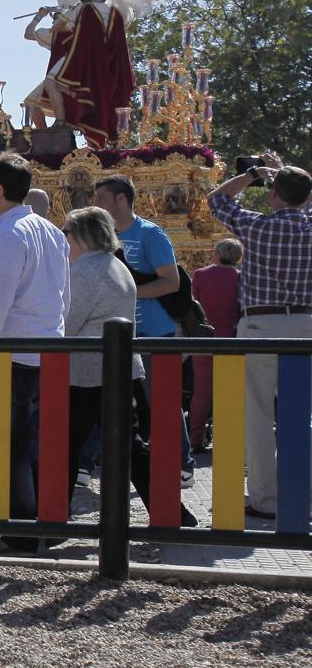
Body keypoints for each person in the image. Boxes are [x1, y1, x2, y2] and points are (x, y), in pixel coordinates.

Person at [0, 153, 70, 555]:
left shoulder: (5, 235)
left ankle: (20, 534)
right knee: (38, 441)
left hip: (13, 352)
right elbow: (63, 297)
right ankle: (49, 524)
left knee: (10, 444)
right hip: (49, 349)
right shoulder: (51, 231)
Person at [59, 207, 198, 526]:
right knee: (128, 445)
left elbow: (68, 323)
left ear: (82, 235)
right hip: (120, 368)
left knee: (67, 441)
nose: (63, 237)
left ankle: (53, 514)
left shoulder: (83, 271)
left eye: (66, 232)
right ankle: (171, 511)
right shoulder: (116, 265)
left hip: (88, 372)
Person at [207, 155, 312, 520]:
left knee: (258, 416)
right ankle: (304, 495)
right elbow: (301, 198)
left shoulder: (258, 227)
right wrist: (289, 178)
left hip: (261, 326)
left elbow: (216, 200)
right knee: (301, 415)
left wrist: (251, 174)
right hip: (305, 326)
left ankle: (266, 501)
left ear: (273, 195)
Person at [94, 173, 196, 488]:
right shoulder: (102, 237)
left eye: (102, 199)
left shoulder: (151, 234)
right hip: (114, 334)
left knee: (162, 400)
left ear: (121, 199)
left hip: (153, 332)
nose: (96, 205)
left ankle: (182, 464)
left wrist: (129, 292)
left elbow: (171, 282)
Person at [23, 0, 134, 147]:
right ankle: (59, 132)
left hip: (79, 63)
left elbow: (56, 26)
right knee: (92, 106)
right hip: (104, 68)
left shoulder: (83, 8)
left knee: (51, 83)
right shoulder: (114, 14)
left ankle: (60, 124)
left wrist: (43, 16)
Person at [188, 238, 243, 450]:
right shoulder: (240, 278)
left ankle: (195, 438)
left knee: (201, 393)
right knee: (229, 392)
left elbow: (194, 305)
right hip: (231, 340)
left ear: (217, 254)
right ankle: (227, 438)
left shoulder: (201, 275)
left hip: (204, 340)